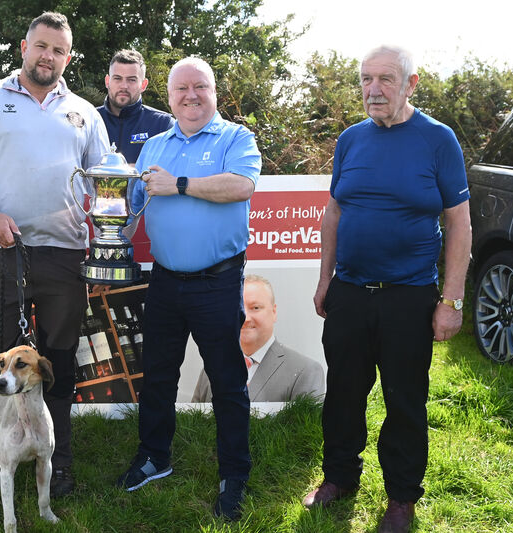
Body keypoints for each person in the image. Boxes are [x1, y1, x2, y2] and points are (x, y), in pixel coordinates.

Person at [0, 12, 110, 498]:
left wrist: (111, 224)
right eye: (40, 46)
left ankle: (58, 462)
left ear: (67, 58)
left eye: (57, 50)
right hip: (1, 251)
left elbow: (105, 183)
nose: (47, 56)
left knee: (56, 362)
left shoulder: (84, 113)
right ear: (23, 46)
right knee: (0, 360)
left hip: (64, 255)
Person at [303, 45, 472, 533]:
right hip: (351, 291)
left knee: (404, 400)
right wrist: (324, 279)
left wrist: (451, 301)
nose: (373, 90)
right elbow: (334, 211)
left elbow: (458, 223)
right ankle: (339, 478)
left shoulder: (438, 140)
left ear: (411, 84)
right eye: (365, 79)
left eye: (385, 80)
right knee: (343, 393)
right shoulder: (351, 139)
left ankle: (401, 498)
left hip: (409, 296)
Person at [117, 57, 261, 521]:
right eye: (181, 89)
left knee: (227, 381)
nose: (191, 96)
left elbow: (239, 187)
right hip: (164, 281)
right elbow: (135, 203)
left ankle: (234, 473)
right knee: (157, 376)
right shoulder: (156, 143)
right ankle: (154, 457)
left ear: (213, 91)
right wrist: (117, 197)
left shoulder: (236, 138)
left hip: (216, 282)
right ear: (170, 94)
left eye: (200, 87)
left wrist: (178, 184)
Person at [191, 275, 325, 403]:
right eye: (237, 308)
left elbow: (303, 426)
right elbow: (194, 424)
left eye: (255, 308)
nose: (246, 317)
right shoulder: (212, 368)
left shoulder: (306, 371)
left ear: (274, 312)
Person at [97, 49, 174, 164]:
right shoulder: (89, 119)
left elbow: (172, 170)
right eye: (117, 78)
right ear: (107, 81)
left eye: (132, 80)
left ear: (143, 85)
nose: (124, 86)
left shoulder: (163, 124)